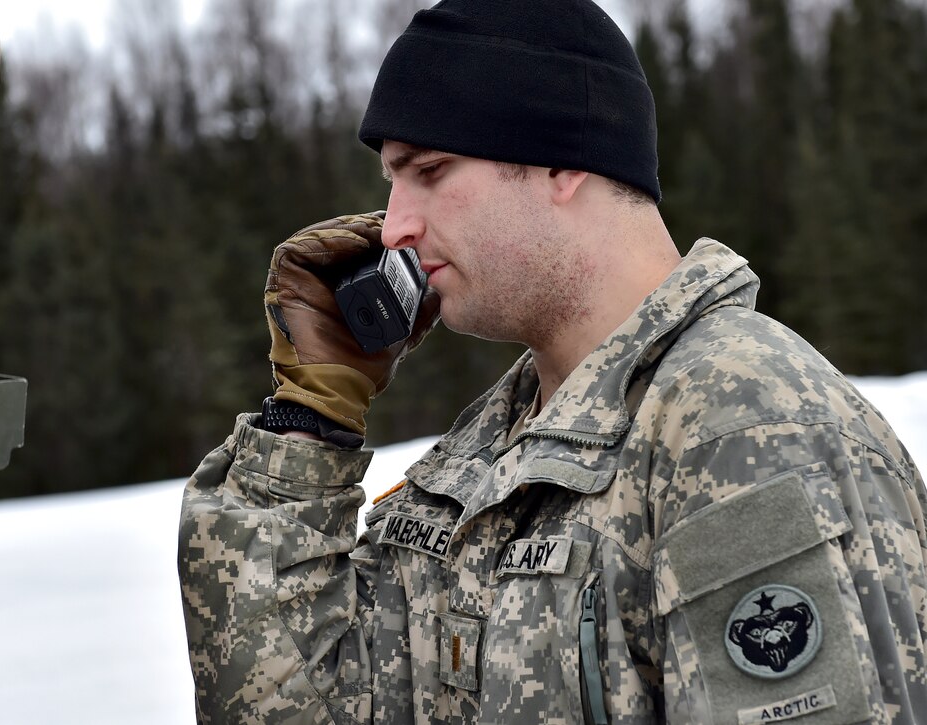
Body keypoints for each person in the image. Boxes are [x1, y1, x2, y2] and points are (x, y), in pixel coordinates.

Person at [178, 0, 927, 722]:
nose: (395, 227)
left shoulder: (742, 427)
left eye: (430, 170)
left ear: (561, 161)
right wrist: (310, 421)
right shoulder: (476, 465)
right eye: (391, 182)